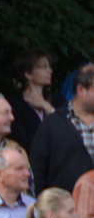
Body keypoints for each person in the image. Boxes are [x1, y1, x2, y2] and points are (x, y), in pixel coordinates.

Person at [29, 65, 94, 196]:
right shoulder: (52, 124)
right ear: (81, 90)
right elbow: (37, 171)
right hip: (65, 205)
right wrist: (42, 203)